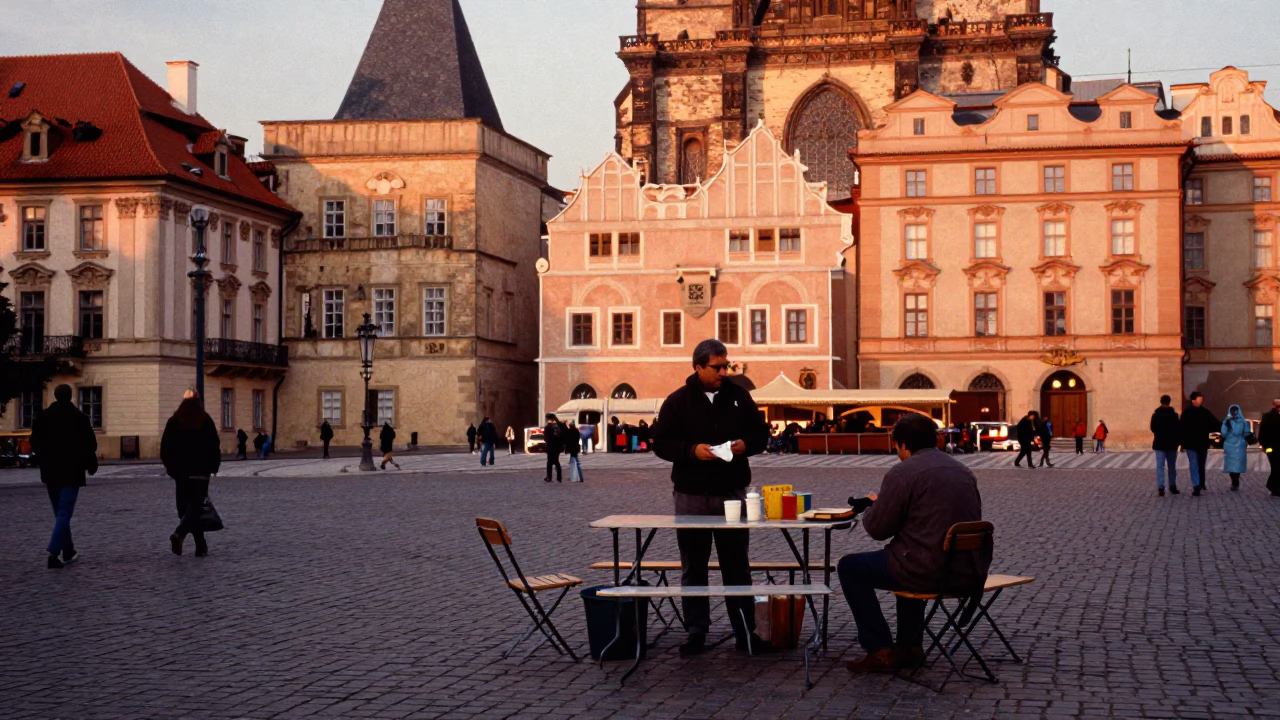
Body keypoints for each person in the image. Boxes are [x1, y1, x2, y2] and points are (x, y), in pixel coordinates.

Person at [839, 413, 989, 673]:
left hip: (927, 570)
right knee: (906, 555)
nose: (897, 453)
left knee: (851, 567)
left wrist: (873, 506)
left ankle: (879, 649)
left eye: (896, 447)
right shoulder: (962, 470)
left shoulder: (903, 472)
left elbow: (878, 529)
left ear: (904, 444)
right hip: (967, 570)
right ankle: (910, 646)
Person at [652, 339, 773, 657]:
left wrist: (745, 445)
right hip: (691, 494)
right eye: (717, 367)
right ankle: (696, 631)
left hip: (731, 493)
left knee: (737, 565)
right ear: (698, 367)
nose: (724, 372)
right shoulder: (677, 401)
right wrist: (691, 451)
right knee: (694, 565)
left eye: (726, 366)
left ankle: (745, 631)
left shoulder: (739, 396)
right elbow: (661, 443)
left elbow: (761, 434)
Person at [30, 384, 98, 569]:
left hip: (50, 471)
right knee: (64, 513)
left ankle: (68, 550)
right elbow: (90, 444)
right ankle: (53, 553)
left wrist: (44, 459)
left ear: (54, 395)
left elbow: (34, 443)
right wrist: (91, 464)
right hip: (72, 471)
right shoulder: (79, 418)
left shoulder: (43, 417)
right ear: (70, 396)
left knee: (60, 513)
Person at [161, 391, 221, 558]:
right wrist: (214, 465)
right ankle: (183, 536)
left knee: (185, 508)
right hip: (201, 471)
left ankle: (199, 545)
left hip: (181, 472)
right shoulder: (205, 420)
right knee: (195, 507)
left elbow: (165, 447)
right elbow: (214, 444)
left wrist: (170, 468)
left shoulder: (174, 421)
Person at [1181, 392, 1218, 496]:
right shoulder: (1187, 412)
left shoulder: (1205, 412)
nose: (1201, 401)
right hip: (1191, 444)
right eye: (1199, 399)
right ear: (1193, 400)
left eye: (1201, 399)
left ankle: (1201, 483)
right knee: (1194, 464)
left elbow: (1215, 423)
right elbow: (1182, 428)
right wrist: (1182, 443)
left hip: (1201, 443)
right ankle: (1196, 485)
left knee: (1201, 464)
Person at [1150, 395, 1181, 496]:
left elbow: (1153, 428)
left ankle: (1161, 487)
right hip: (1172, 444)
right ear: (1169, 402)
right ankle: (1172, 485)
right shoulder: (1174, 415)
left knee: (1160, 466)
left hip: (1159, 443)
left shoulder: (1156, 415)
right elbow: (1178, 429)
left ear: (1160, 402)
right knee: (1171, 466)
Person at [1221, 405, 1249, 492]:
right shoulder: (1243, 422)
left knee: (1232, 465)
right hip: (1239, 445)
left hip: (1230, 445)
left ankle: (1234, 482)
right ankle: (1235, 482)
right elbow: (1247, 433)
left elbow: (1224, 433)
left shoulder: (1227, 421)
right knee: (1237, 465)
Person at [1259, 399, 1280, 497]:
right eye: (1278, 406)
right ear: (1273, 406)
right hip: (1271, 447)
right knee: (1276, 467)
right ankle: (1273, 487)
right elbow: (1262, 432)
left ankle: (1274, 486)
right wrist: (1264, 445)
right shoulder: (1268, 417)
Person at [542, 413, 564, 482]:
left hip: (550, 447)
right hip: (557, 447)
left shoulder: (548, 427)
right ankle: (559, 477)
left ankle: (549, 477)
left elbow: (546, 438)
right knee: (556, 461)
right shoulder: (558, 426)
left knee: (549, 462)